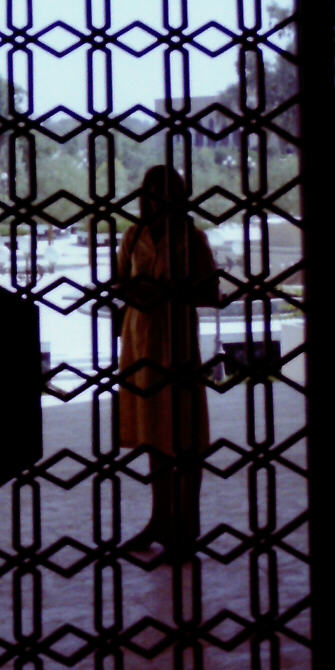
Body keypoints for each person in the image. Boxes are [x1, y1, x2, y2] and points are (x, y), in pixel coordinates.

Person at [116, 164, 220, 558]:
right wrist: (137, 291)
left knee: (185, 434)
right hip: (141, 343)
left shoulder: (191, 238)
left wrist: (173, 291)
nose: (159, 199)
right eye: (153, 191)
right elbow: (119, 281)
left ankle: (187, 528)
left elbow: (210, 291)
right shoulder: (134, 235)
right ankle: (160, 521)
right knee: (154, 435)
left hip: (177, 344)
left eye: (166, 192)